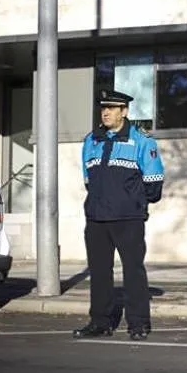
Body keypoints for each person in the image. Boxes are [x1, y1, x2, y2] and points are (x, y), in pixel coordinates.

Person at [72, 90, 165, 341]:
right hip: (96, 218)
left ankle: (138, 324)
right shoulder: (91, 140)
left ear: (124, 111)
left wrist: (131, 202)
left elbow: (154, 185)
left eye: (112, 108)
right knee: (100, 272)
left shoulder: (143, 141)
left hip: (128, 219)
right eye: (104, 108)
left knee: (133, 271)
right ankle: (100, 322)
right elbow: (88, 181)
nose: (106, 112)